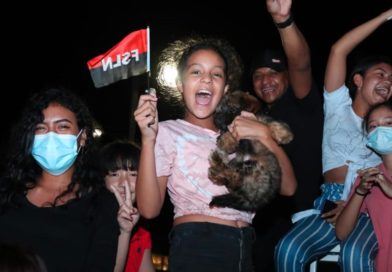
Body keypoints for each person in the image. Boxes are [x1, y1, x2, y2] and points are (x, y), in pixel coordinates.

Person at [134, 36, 296, 272]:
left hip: (246, 248)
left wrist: (266, 136)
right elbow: (149, 209)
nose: (207, 79)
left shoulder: (240, 135)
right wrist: (148, 140)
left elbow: (288, 188)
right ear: (180, 84)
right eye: (196, 72)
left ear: (225, 89)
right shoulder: (167, 131)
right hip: (198, 246)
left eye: (216, 74)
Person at [275, 8, 392, 272]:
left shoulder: (388, 126)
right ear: (358, 80)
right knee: (288, 249)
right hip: (331, 202)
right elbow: (339, 49)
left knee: (355, 256)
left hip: (370, 201)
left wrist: (359, 200)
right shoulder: (338, 106)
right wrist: (387, 15)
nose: (388, 81)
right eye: (381, 74)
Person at [0, 87, 119, 272]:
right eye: (41, 127)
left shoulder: (102, 204)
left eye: (62, 126)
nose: (51, 135)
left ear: (83, 137)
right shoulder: (6, 191)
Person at [249, 0, 324, 270]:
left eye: (273, 73)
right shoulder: (256, 119)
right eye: (258, 75)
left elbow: (301, 63)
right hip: (264, 218)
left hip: (304, 215)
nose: (265, 80)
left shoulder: (302, 102)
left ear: (287, 77)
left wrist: (284, 20)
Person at [336, 101, 392, 272]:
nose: (380, 130)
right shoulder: (369, 177)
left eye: (389, 123)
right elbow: (342, 232)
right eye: (373, 126)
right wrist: (360, 192)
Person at [98, 140, 155, 272]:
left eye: (133, 174)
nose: (124, 183)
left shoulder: (141, 233)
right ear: (102, 179)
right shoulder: (89, 221)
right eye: (114, 174)